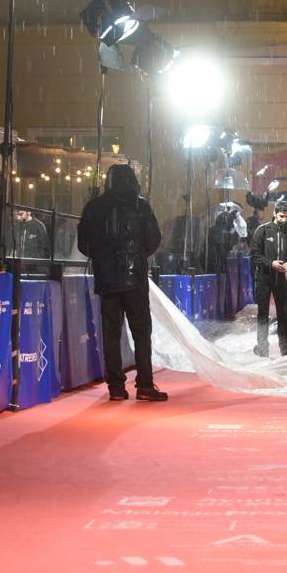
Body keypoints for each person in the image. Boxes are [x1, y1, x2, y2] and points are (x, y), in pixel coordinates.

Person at [77, 164, 165, 401]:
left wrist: (103, 256)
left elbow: (83, 244)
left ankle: (116, 386)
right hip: (134, 278)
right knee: (141, 331)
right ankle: (145, 384)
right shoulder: (140, 205)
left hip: (106, 279)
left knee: (111, 333)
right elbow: (154, 238)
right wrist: (136, 256)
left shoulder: (94, 207)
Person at [249, 199, 287, 357]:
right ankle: (262, 348)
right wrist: (270, 263)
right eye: (281, 216)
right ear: (274, 214)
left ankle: (285, 349)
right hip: (264, 277)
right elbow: (254, 255)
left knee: (283, 313)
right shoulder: (263, 230)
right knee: (263, 313)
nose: (284, 220)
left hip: (282, 278)